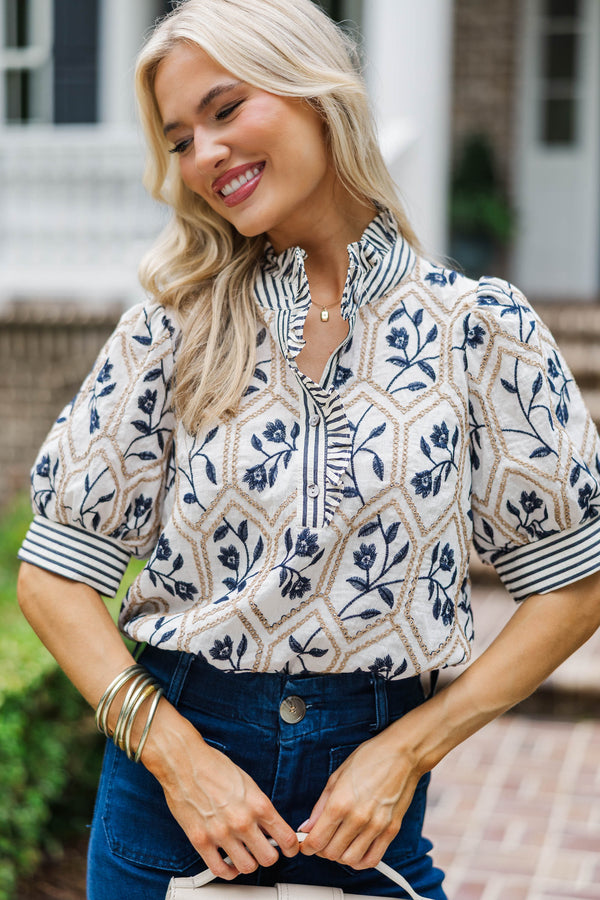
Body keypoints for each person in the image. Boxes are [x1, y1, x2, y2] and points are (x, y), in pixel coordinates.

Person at [16, 0, 600, 898]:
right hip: (169, 812)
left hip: (368, 817)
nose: (204, 154)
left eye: (223, 109)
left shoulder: (477, 331)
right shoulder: (173, 331)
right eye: (178, 140)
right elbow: (53, 574)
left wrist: (408, 750)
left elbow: (575, 580)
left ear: (316, 93)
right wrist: (180, 759)